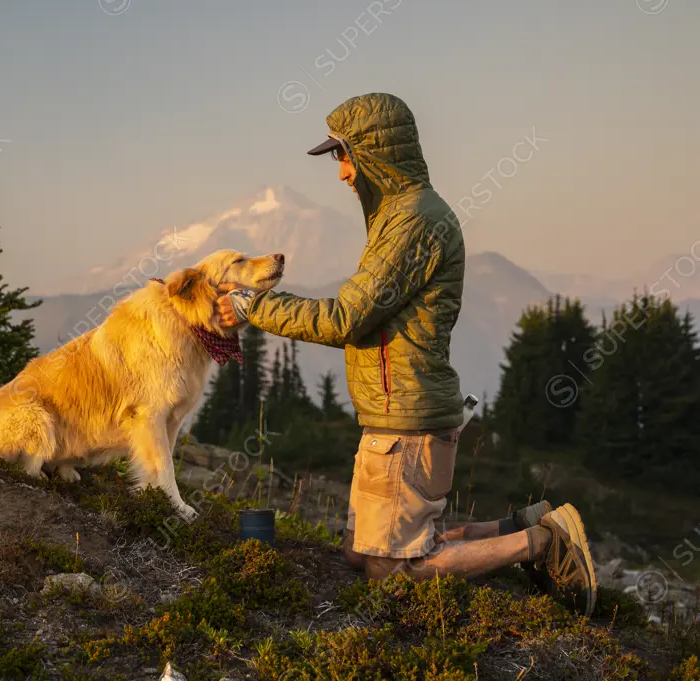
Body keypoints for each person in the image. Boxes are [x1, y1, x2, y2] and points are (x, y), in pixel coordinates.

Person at [217, 93, 597, 616]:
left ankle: (544, 545)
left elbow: (345, 318)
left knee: (391, 570)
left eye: (343, 156)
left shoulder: (415, 221)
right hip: (399, 419)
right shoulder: (401, 216)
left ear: (375, 152)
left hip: (408, 424)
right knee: (360, 552)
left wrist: (253, 305)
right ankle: (525, 525)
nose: (343, 174)